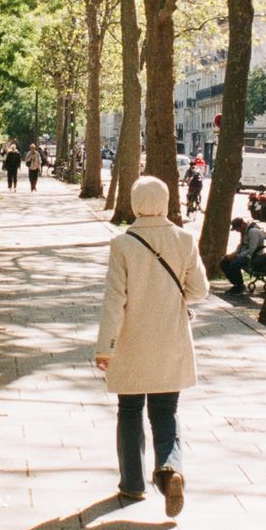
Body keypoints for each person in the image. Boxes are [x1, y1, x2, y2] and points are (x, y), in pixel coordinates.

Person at [94, 176, 208, 513]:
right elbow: (200, 290)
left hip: (131, 341)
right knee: (166, 412)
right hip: (170, 338)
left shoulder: (123, 244)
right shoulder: (184, 239)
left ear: (134, 203)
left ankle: (132, 483)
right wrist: (174, 299)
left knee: (129, 411)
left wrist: (106, 347)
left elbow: (115, 299)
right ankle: (170, 469)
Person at [221, 216, 266, 296]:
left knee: (234, 264)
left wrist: (237, 256)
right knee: (223, 263)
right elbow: (241, 246)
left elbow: (252, 250)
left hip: (254, 256)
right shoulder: (244, 233)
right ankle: (236, 284)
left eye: (237, 228)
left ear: (242, 225)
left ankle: (240, 286)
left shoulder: (253, 231)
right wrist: (233, 254)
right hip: (244, 255)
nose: (237, 231)